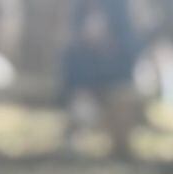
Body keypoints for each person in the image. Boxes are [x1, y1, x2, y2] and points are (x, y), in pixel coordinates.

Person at [60, 0, 144, 158]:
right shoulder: (78, 15)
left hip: (116, 84)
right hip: (85, 87)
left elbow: (132, 54)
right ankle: (74, 145)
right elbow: (70, 64)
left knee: (124, 98)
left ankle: (120, 148)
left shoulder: (121, 14)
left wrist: (110, 44)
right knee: (82, 111)